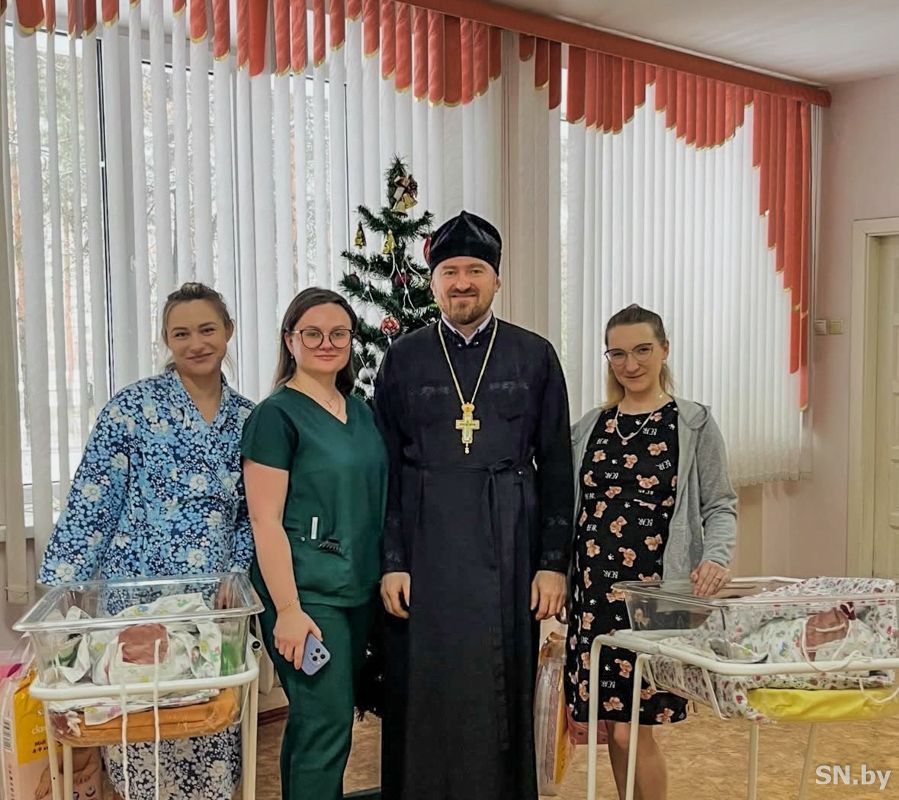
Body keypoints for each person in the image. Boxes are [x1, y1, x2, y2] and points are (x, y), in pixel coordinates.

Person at [374, 210, 574, 800]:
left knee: (498, 683)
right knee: (426, 684)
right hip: (424, 542)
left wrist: (552, 563)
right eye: (450, 272)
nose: (462, 283)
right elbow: (385, 470)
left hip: (508, 539)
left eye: (475, 271)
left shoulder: (534, 355)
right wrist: (392, 561)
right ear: (433, 281)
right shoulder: (403, 358)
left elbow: (556, 465)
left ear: (497, 280)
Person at [38, 282, 255, 800]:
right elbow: (93, 498)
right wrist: (62, 588)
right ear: (166, 340)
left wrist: (238, 569)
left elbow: (255, 513)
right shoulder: (131, 409)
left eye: (207, 329)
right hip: (135, 599)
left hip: (209, 607)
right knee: (138, 729)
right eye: (181, 334)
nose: (196, 343)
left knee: (208, 725)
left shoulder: (251, 419)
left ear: (228, 331)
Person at [566, 303, 737, 800]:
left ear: (664, 349)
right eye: (617, 354)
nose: (631, 363)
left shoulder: (693, 423)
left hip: (653, 600)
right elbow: (569, 507)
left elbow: (720, 504)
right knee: (614, 723)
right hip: (594, 596)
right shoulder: (591, 427)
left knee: (632, 728)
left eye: (642, 350)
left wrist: (717, 557)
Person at [241, 288, 387, 800]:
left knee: (313, 723)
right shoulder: (275, 416)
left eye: (339, 334)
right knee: (326, 725)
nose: (327, 343)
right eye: (312, 333)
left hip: (358, 589)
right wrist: (287, 609)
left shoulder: (361, 413)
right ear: (290, 340)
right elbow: (265, 521)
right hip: (306, 596)